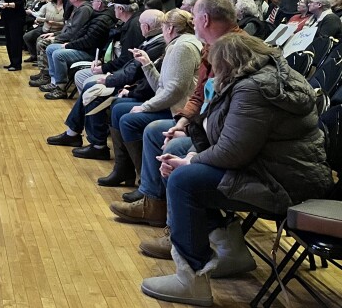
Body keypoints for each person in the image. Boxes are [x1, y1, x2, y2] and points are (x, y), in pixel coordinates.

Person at [139, 33, 332, 306]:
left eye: (214, 66)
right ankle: (231, 251)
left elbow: (232, 151)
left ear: (228, 63)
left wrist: (190, 162)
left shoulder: (253, 90)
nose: (211, 72)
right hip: (272, 168)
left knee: (184, 180)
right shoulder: (262, 76)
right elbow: (227, 138)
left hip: (283, 184)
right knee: (183, 156)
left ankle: (191, 279)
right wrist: (192, 150)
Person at [108, 0, 243, 231]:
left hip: (218, 134)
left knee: (151, 131)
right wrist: (182, 123)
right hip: (200, 122)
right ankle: (152, 199)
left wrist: (189, 138)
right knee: (147, 126)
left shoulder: (227, 51)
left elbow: (178, 92)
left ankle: (172, 222)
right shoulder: (210, 47)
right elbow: (199, 94)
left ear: (204, 19)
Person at [96, 9, 201, 190]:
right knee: (118, 107)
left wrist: (145, 106)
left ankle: (145, 183)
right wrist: (147, 64)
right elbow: (162, 85)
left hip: (178, 110)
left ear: (169, 28)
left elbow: (174, 91)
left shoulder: (182, 47)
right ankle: (124, 170)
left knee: (128, 119)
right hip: (173, 105)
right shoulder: (178, 44)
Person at [46, 9, 165, 157]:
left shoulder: (157, 45)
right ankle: (75, 134)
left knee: (94, 90)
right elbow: (131, 67)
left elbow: (133, 71)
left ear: (146, 27)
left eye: (140, 24)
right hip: (132, 82)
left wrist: (109, 78)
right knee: (91, 86)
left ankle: (97, 145)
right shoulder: (152, 41)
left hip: (138, 88)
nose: (138, 26)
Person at [43, 0, 116, 100]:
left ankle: (61, 87)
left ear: (99, 3)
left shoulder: (102, 20)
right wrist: (69, 43)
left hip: (90, 53)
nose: (91, 3)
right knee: (50, 48)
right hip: (84, 48)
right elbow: (81, 33)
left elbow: (88, 41)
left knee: (58, 54)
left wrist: (69, 45)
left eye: (93, 1)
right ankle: (54, 81)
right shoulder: (97, 15)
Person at [31, 0, 93, 88]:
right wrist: (54, 34)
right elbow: (68, 27)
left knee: (43, 43)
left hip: (73, 41)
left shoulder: (84, 10)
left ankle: (48, 76)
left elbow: (74, 32)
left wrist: (57, 39)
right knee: (42, 39)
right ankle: (47, 74)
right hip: (68, 37)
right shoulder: (78, 8)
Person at [0, 0, 26, 71]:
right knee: (9, 40)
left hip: (16, 17)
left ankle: (17, 64)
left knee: (15, 40)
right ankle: (12, 62)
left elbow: (20, 3)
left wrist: (8, 4)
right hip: (8, 16)